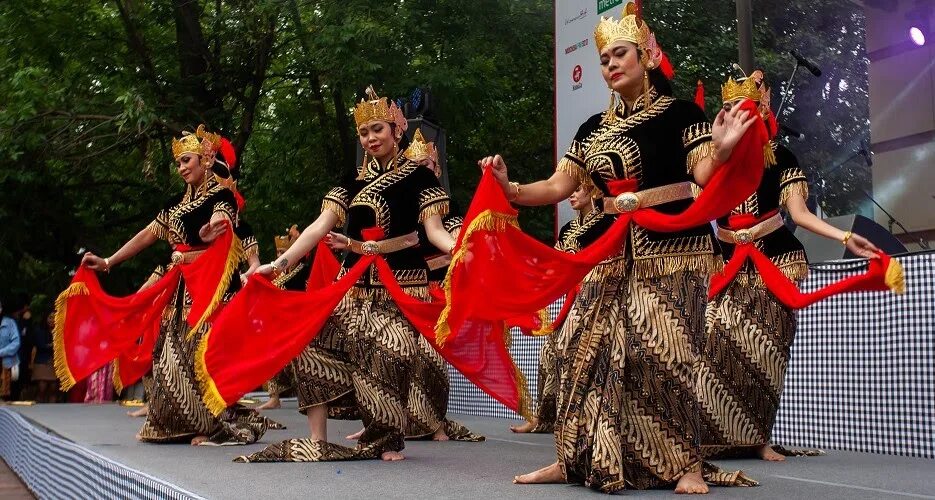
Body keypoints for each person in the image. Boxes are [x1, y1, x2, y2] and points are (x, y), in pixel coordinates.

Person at [474, 4, 759, 493]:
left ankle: (684, 464)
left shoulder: (680, 115)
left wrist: (724, 149)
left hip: (673, 253)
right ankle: (575, 457)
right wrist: (511, 187)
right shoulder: (590, 130)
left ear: (645, 55)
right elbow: (557, 186)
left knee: (667, 355)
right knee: (576, 352)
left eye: (620, 54)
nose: (610, 65)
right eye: (604, 59)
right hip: (608, 254)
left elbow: (705, 178)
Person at [237, 86, 460, 462]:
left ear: (395, 131)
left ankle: (386, 438)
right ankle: (318, 437)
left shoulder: (420, 179)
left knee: (392, 353)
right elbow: (317, 227)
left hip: (402, 289)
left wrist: (461, 248)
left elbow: (435, 231)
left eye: (377, 129)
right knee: (306, 341)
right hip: (353, 289)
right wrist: (279, 264)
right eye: (364, 132)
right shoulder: (351, 181)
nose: (370, 138)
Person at [698, 71, 880, 462]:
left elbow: (798, 213)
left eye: (741, 107)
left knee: (766, 353)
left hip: (775, 260)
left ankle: (758, 440)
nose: (733, 114)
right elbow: (698, 207)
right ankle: (713, 437)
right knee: (714, 345)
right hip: (729, 263)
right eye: (727, 108)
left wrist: (844, 237)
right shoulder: (715, 162)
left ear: (760, 108)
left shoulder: (780, 157)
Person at [76, 125, 269, 445]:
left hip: (205, 287)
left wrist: (213, 230)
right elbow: (146, 235)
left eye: (187, 160)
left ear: (205, 160)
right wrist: (109, 261)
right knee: (168, 355)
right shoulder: (174, 206)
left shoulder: (221, 196)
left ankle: (210, 424)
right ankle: (176, 422)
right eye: (178, 163)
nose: (182, 168)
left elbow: (223, 221)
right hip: (176, 288)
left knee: (200, 356)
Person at [509, 183, 614, 434]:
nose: (572, 194)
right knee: (549, 354)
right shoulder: (568, 229)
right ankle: (545, 417)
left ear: (594, 191)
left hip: (597, 295)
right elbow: (555, 264)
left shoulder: (607, 223)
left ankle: (581, 417)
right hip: (570, 298)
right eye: (571, 190)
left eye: (579, 190)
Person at [29, 314, 58, 403]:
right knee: (42, 388)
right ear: (45, 318)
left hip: (55, 363)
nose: (52, 320)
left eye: (54, 317)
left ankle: (52, 411)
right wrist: (53, 345)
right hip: (41, 362)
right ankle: (39, 410)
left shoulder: (60, 330)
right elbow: (41, 346)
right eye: (50, 317)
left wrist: (51, 345)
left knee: (53, 389)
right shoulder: (39, 331)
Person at [0, 300, 21, 401]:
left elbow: (16, 342)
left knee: (6, 394)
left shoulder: (9, 323)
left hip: (7, 363)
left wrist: (2, 352)